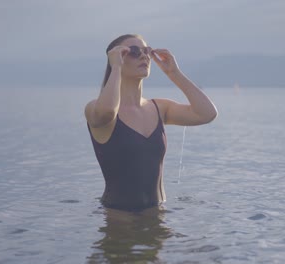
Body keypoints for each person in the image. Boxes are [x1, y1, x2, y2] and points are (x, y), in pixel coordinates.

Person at [85, 34, 217, 211]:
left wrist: (174, 73)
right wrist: (115, 66)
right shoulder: (95, 108)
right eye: (133, 51)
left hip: (158, 219)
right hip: (119, 221)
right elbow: (108, 112)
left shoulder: (159, 108)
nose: (143, 55)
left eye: (147, 51)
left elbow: (207, 114)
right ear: (115, 59)